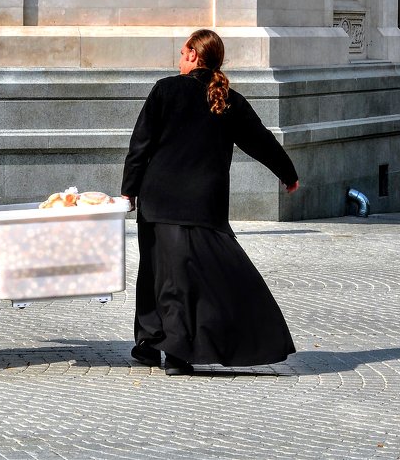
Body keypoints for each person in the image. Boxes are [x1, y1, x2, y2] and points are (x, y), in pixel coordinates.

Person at [120, 28, 300, 376]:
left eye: (182, 51)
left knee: (157, 274)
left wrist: (129, 191)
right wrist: (287, 173)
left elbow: (140, 145)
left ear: (192, 55)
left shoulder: (165, 89)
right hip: (204, 203)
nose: (179, 57)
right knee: (187, 277)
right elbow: (260, 141)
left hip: (159, 201)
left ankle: (164, 346)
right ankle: (157, 346)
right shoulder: (229, 98)